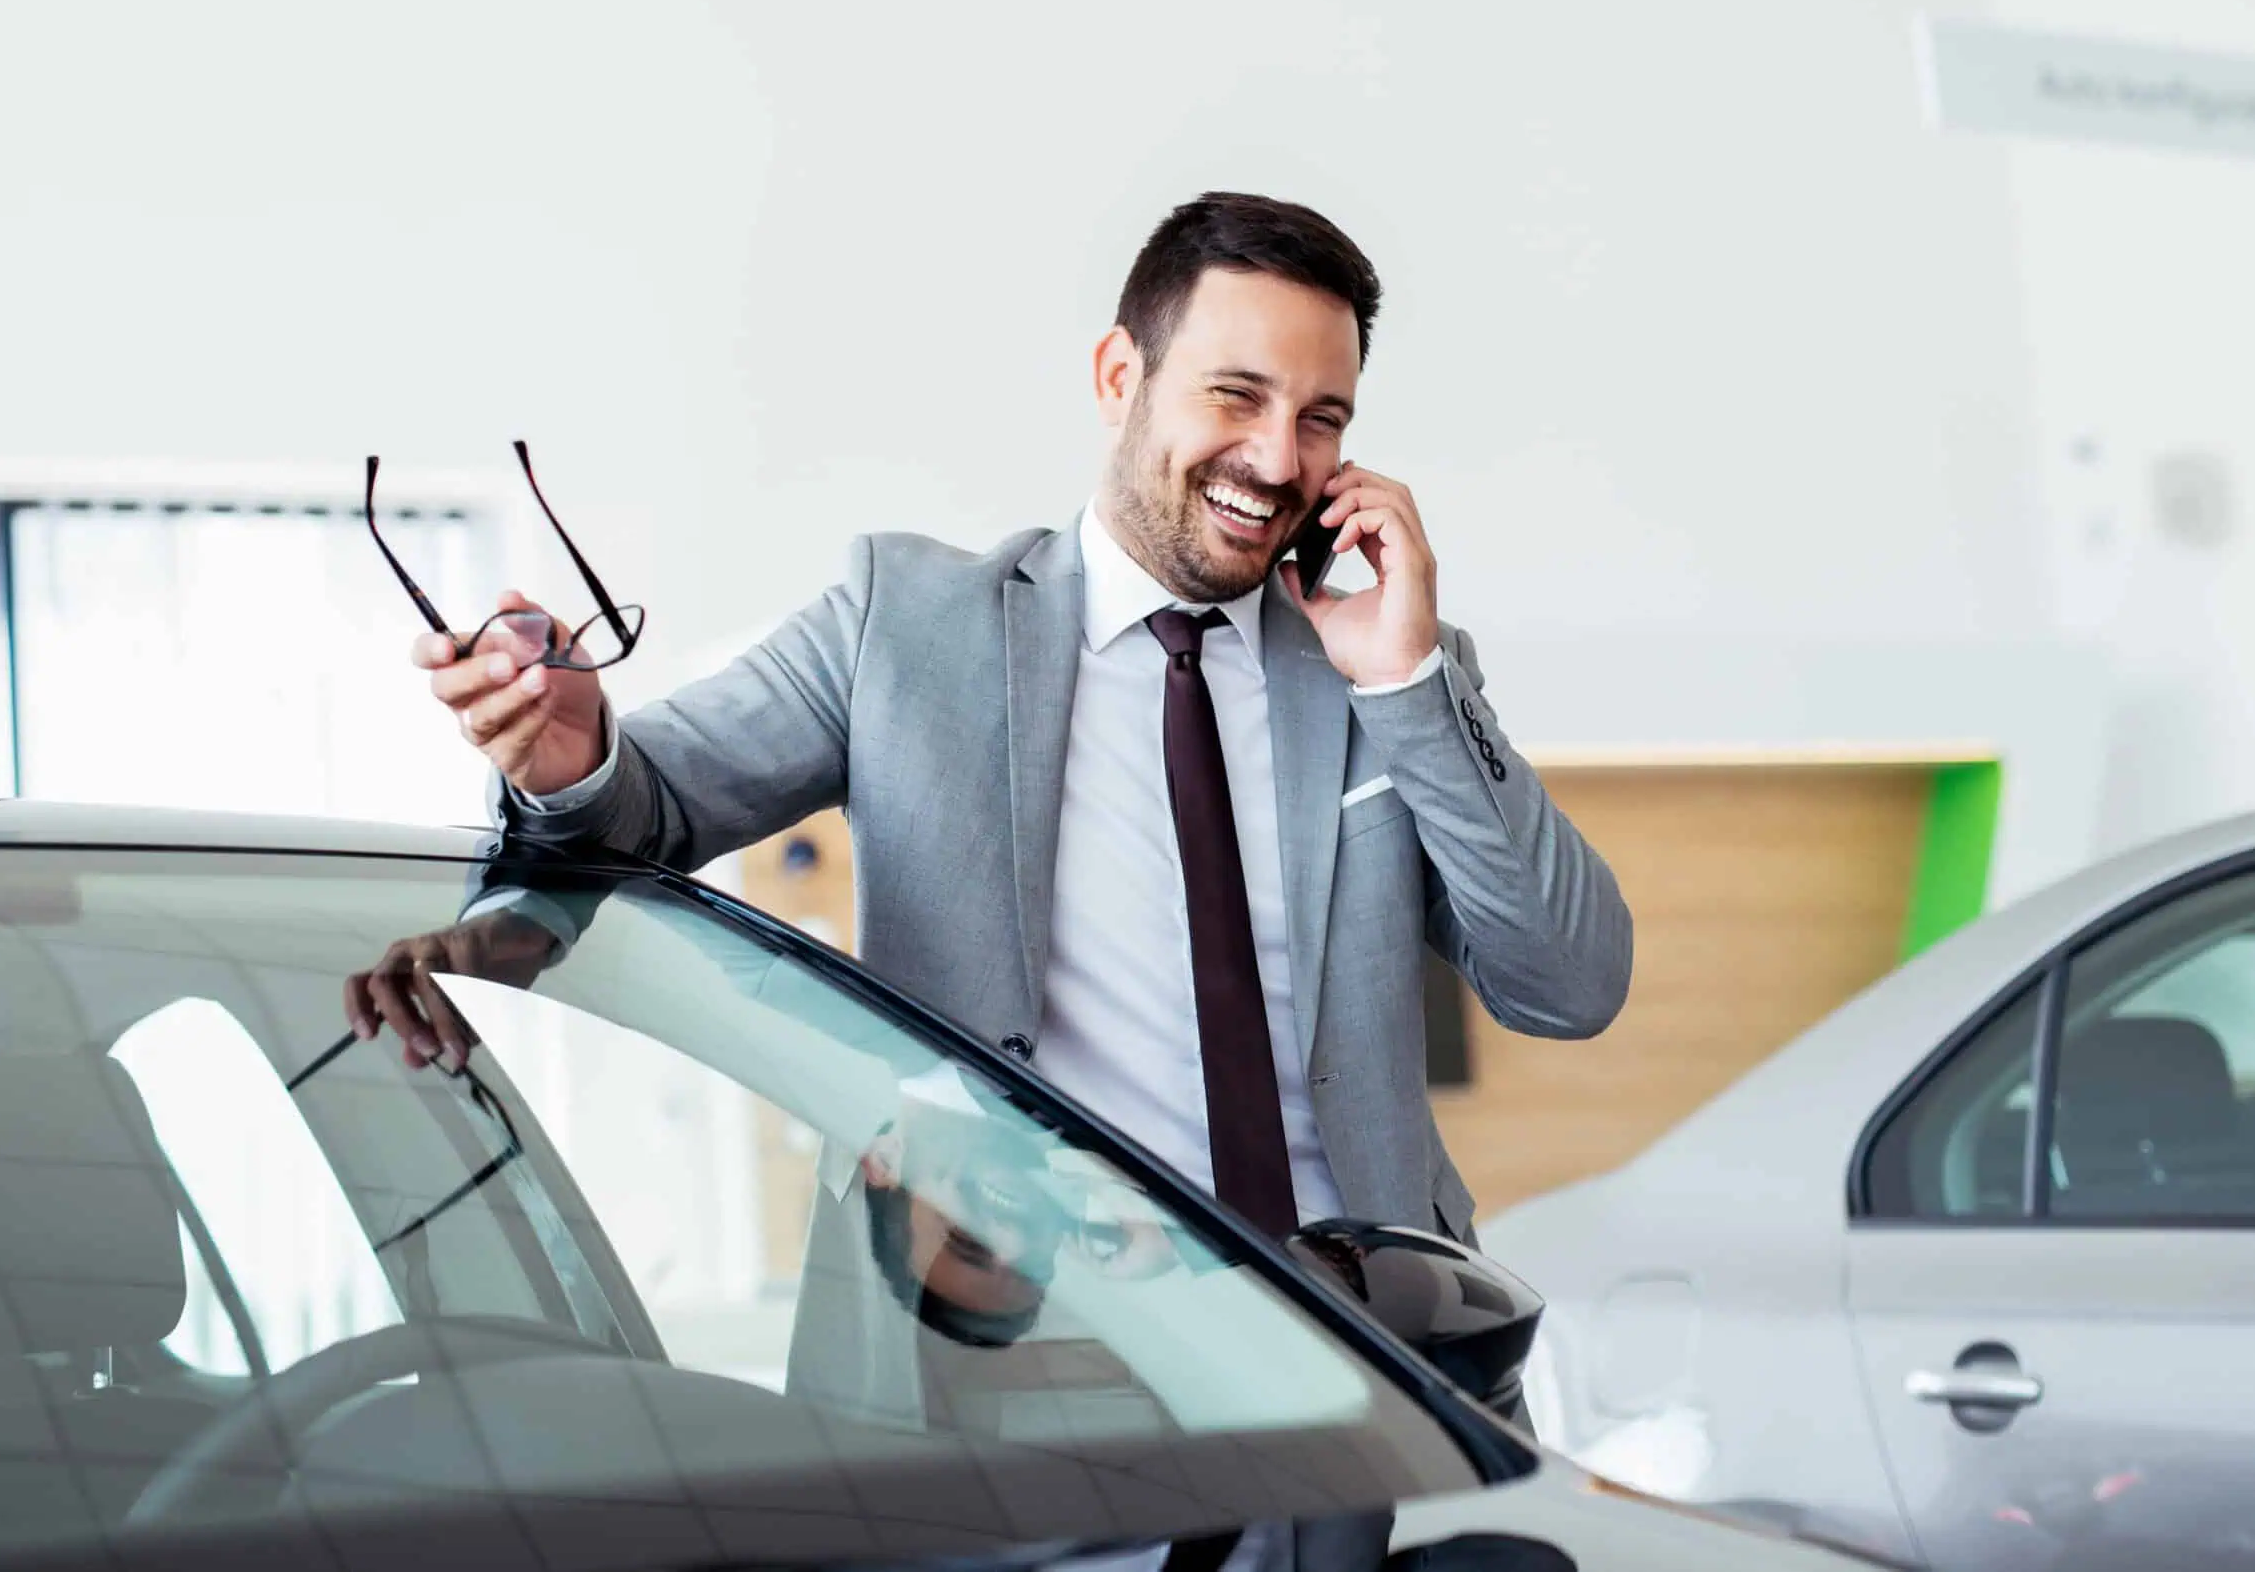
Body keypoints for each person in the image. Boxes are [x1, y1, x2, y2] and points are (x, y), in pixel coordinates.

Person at [383, 190, 1631, 1258]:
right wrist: (568, 760)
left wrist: (1408, 684)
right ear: (1118, 378)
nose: (1277, 456)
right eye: (1236, 395)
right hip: (1007, 1346)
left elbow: (1569, 985)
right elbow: (646, 806)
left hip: (1369, 1362)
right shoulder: (906, 624)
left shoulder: (1386, 672)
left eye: (1322, 419)